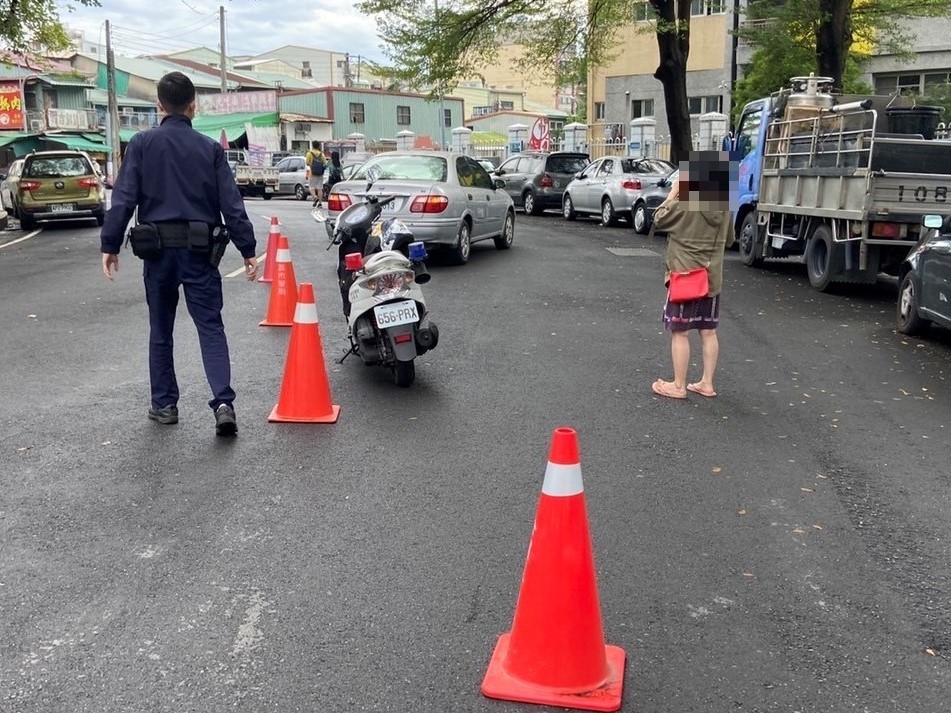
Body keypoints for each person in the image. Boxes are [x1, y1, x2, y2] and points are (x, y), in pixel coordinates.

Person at [100, 71, 258, 436]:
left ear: (159, 105)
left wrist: (110, 245)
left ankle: (165, 405)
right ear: (193, 106)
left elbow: (123, 198)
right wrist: (248, 249)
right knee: (210, 327)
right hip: (201, 252)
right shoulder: (210, 150)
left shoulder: (140, 144)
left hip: (157, 252)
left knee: (161, 328)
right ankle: (222, 402)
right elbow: (231, 206)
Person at [650, 151, 734, 400]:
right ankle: (707, 383)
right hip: (710, 278)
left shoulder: (686, 202)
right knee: (708, 331)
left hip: (685, 277)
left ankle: (678, 385)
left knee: (680, 332)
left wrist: (673, 193)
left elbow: (658, 219)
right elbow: (730, 240)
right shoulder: (724, 205)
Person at [305, 140, 328, 207]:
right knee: (320, 188)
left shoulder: (309, 153)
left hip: (312, 172)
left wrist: (312, 164)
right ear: (318, 146)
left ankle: (315, 197)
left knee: (311, 187)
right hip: (320, 173)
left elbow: (307, 163)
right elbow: (325, 163)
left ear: (312, 146)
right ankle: (320, 203)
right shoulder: (321, 154)